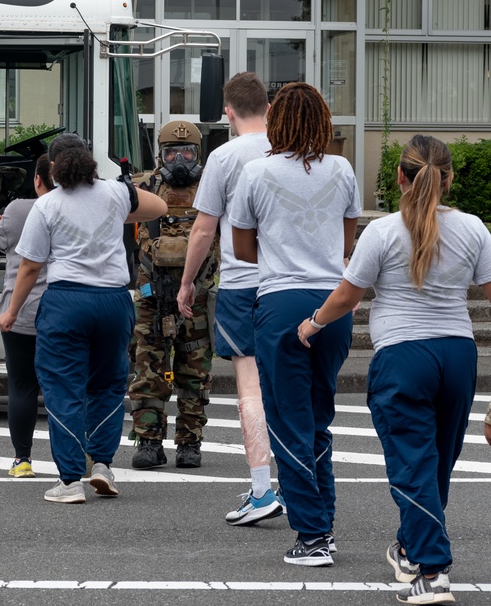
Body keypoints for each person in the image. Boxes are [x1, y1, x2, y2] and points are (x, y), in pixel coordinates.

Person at [297, 135, 491, 603]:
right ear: (449, 179)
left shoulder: (382, 232)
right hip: (458, 355)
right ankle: (409, 547)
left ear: (400, 177)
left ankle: (432, 570)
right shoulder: (475, 229)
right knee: (437, 463)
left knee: (412, 463)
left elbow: (348, 296)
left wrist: (313, 322)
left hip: (404, 356)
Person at [229, 82, 361, 568]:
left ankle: (313, 536)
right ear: (322, 122)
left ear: (276, 121)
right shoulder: (343, 169)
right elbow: (346, 244)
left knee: (287, 422)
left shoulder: (256, 171)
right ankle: (322, 521)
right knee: (317, 417)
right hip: (333, 303)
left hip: (280, 301)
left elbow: (243, 249)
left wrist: (284, 251)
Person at [0, 133, 167, 504]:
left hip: (66, 303)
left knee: (63, 390)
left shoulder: (49, 205)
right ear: (89, 161)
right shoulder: (115, 193)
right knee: (107, 385)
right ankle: (103, 465)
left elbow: (29, 268)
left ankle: (71, 480)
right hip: (113, 301)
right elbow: (159, 208)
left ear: (53, 167)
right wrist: (122, 208)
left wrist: (11, 312)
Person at [176, 72, 284, 523]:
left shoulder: (224, 156)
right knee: (296, 385)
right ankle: (306, 486)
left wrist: (187, 282)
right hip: (294, 284)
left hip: (242, 283)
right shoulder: (297, 151)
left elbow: (203, 228)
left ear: (229, 111)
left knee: (250, 386)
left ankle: (262, 489)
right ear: (269, 107)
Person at [127, 120, 214, 470]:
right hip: (152, 296)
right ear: (160, 154)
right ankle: (148, 441)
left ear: (198, 153)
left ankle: (189, 443)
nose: (180, 159)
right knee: (148, 368)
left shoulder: (213, 187)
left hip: (197, 296)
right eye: (172, 152)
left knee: (194, 371)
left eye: (187, 152)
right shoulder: (143, 187)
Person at [0, 153, 55, 478]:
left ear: (38, 179)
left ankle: (23, 460)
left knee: (22, 386)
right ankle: (78, 458)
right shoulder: (70, 209)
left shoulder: (17, 209)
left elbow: (1, 241)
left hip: (20, 313)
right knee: (64, 388)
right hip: (60, 310)